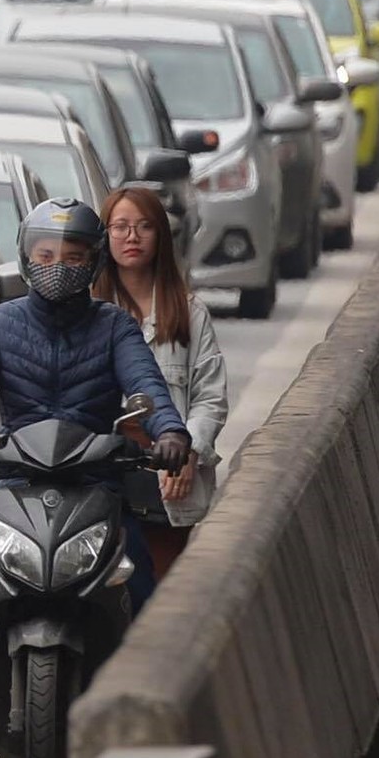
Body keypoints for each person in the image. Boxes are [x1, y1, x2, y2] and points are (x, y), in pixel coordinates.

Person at [0, 199, 192, 758]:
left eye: (73, 258)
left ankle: (140, 748)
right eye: (46, 256)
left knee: (148, 602)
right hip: (12, 489)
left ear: (93, 262)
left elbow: (148, 387)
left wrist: (170, 432)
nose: (58, 267)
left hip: (98, 489)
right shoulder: (0, 324)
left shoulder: (115, 327)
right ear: (26, 259)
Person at [93, 185, 229, 581]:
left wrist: (188, 452)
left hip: (165, 481)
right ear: (104, 236)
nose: (132, 237)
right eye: (120, 227)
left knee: (160, 589)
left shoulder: (189, 313)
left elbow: (210, 398)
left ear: (161, 236)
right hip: (101, 477)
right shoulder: (87, 312)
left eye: (144, 226)